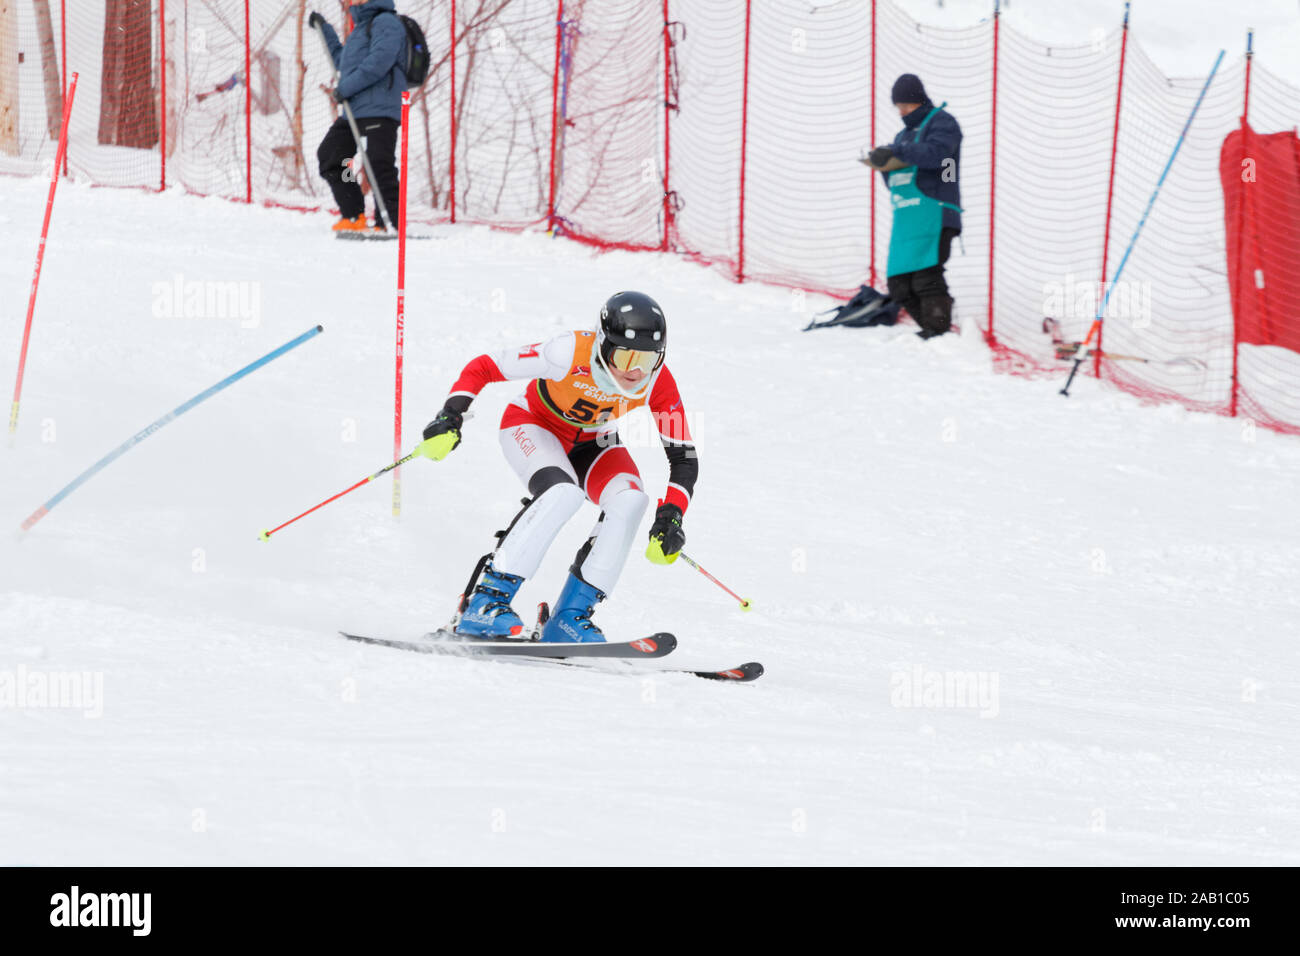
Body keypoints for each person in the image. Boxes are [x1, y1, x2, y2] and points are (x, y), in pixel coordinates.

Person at [416, 292, 698, 644]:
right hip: (532, 425)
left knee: (631, 500)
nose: (635, 370)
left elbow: (683, 458)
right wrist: (450, 415)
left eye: (648, 358)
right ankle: (485, 603)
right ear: (603, 345)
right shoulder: (567, 352)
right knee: (563, 494)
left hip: (594, 443)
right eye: (625, 355)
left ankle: (569, 618)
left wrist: (672, 516)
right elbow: (484, 366)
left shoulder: (658, 381)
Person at [865, 74, 963, 339]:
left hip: (937, 211)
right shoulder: (903, 135)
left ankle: (938, 330)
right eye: (899, 106)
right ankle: (930, 328)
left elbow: (939, 156)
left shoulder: (943, 122)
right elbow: (899, 179)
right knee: (899, 282)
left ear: (919, 100)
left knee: (925, 276)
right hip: (907, 217)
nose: (902, 111)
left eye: (907, 105)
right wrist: (883, 163)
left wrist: (898, 153)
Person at [310, 1, 407, 235]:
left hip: (380, 108)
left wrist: (346, 88)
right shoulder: (360, 28)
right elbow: (343, 62)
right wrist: (325, 30)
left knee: (377, 165)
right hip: (355, 109)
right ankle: (354, 213)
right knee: (333, 157)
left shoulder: (386, 22)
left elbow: (378, 63)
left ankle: (390, 222)